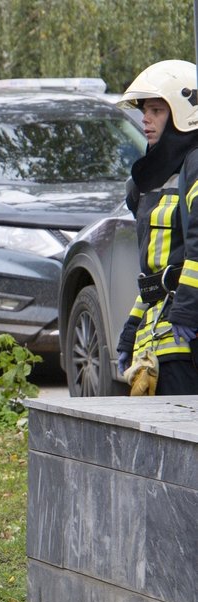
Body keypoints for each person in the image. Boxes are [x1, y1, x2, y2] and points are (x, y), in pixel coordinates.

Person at [116, 60, 198, 395]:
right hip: (158, 336)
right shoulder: (157, 175)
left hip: (185, 338)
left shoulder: (195, 164)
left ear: (182, 112)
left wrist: (188, 313)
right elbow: (159, 270)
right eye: (143, 111)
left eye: (155, 110)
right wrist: (131, 329)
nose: (145, 120)